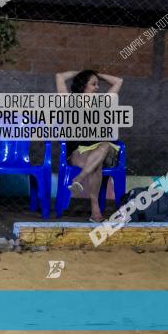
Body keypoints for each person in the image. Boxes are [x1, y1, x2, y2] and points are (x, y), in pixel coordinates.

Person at [55, 69, 123, 223]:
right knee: (95, 166)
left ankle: (80, 178)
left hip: (103, 150)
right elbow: (60, 76)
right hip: (80, 152)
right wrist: (82, 71)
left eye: (97, 84)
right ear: (83, 85)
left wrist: (96, 74)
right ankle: (95, 211)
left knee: (105, 145)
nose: (97, 87)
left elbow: (118, 81)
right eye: (93, 84)